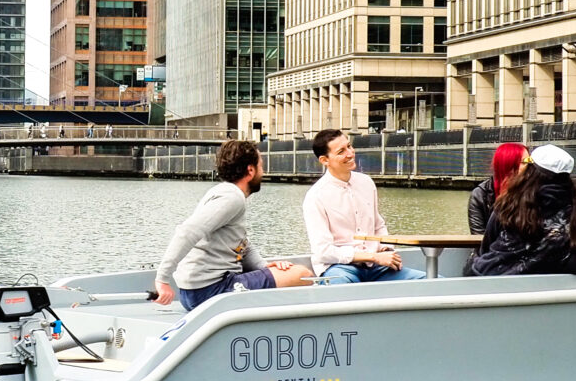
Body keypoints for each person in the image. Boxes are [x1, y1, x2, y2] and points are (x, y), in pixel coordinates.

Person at [153, 139, 314, 309]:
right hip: (210, 291)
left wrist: (264, 267)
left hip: (196, 291)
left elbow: (240, 243)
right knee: (303, 275)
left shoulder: (221, 191)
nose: (263, 172)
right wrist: (162, 279)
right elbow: (187, 232)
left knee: (285, 273)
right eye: (261, 166)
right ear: (250, 170)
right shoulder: (232, 198)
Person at [305, 128, 427, 285]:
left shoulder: (366, 183)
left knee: (435, 282)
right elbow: (324, 251)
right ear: (324, 160)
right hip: (340, 268)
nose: (350, 154)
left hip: (376, 267)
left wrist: (385, 248)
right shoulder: (315, 196)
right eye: (341, 151)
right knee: (340, 286)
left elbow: (378, 225)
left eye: (349, 146)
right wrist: (374, 256)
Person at [468, 144, 576, 276]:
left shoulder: (509, 205)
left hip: (494, 282)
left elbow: (486, 248)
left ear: (530, 173)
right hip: (555, 291)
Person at [467, 142, 528, 235]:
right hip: (491, 247)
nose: (530, 166)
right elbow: (478, 235)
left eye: (530, 161)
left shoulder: (534, 190)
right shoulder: (480, 195)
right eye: (525, 162)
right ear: (509, 165)